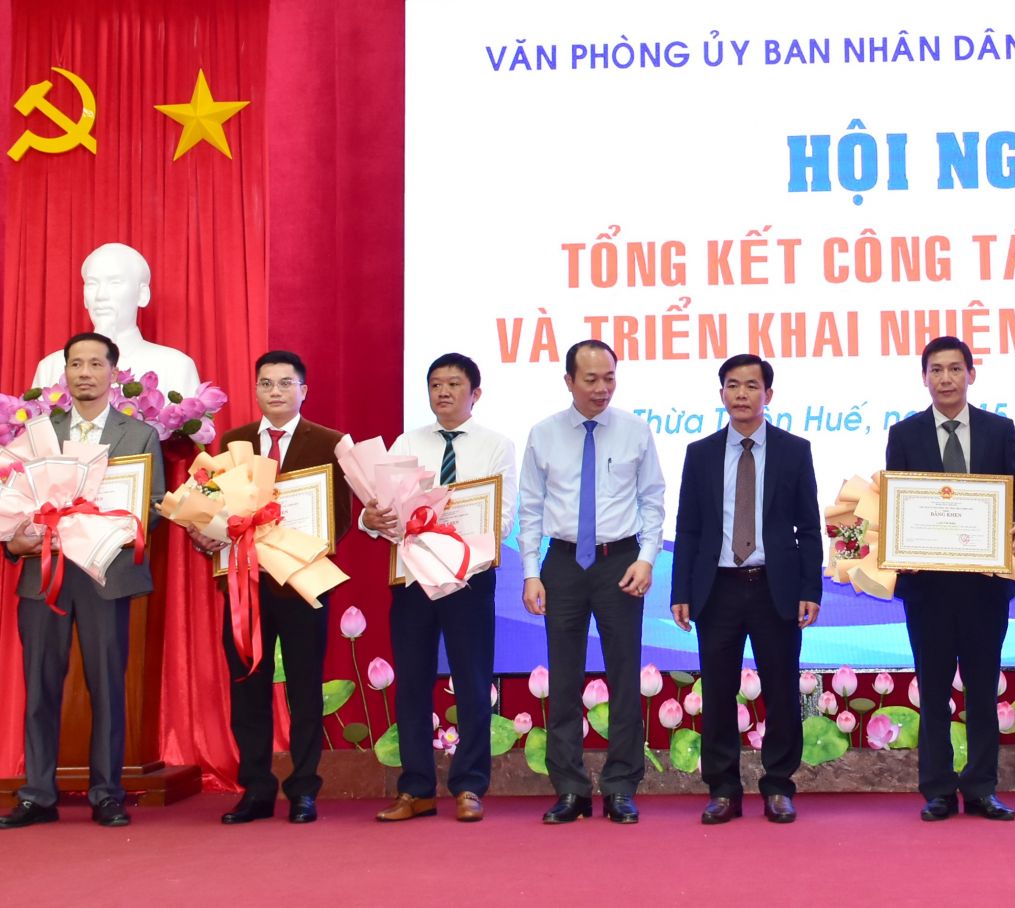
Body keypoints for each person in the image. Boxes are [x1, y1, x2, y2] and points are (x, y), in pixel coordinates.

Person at [0, 333, 164, 830]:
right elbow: (13, 501)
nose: (85, 372)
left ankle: (107, 794)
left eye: (95, 363)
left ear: (114, 372)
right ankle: (38, 795)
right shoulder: (36, 435)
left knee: (107, 685)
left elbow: (151, 508)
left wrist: (102, 528)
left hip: (105, 574)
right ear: (65, 373)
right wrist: (15, 542)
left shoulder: (140, 435)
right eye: (76, 364)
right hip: (44, 573)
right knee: (40, 686)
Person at [190, 351, 352, 825]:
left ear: (304, 390)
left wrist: (294, 551)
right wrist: (206, 533)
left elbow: (340, 516)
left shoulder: (331, 442)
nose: (275, 391)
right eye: (266, 383)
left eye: (285, 383)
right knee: (249, 690)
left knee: (304, 691)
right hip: (246, 586)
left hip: (303, 584)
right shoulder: (234, 442)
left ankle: (304, 790)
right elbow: (215, 507)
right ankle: (256, 789)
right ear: (256, 390)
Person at [362, 354, 517, 823]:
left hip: (468, 578)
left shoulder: (497, 445)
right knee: (412, 683)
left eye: (453, 384)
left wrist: (450, 538)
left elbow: (501, 515)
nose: (443, 392)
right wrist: (372, 520)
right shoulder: (407, 443)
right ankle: (416, 790)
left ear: (476, 393)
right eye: (435, 384)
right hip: (412, 579)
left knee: (473, 682)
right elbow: (381, 509)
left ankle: (469, 786)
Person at [670, 354, 823, 825]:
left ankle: (778, 787)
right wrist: (681, 591)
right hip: (717, 588)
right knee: (718, 692)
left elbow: (808, 528)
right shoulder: (700, 453)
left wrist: (811, 588)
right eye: (732, 385)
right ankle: (723, 790)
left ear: (768, 395)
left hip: (775, 587)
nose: (741, 394)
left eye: (751, 386)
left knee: (781, 690)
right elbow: (688, 527)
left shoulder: (795, 450)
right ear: (721, 394)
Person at [885, 336, 1015, 821]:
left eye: (954, 369)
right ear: (924, 378)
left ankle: (982, 787)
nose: (945, 378)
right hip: (927, 587)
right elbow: (896, 498)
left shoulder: (998, 429)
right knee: (933, 690)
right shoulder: (904, 434)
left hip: (984, 585)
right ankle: (939, 790)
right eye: (936, 370)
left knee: (982, 689)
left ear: (971, 374)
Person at [520, 340, 665, 824]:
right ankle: (570, 789)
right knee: (564, 678)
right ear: (568, 381)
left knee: (624, 676)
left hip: (619, 561)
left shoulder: (635, 431)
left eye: (609, 378)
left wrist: (646, 560)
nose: (602, 388)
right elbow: (530, 508)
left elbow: (652, 501)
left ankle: (621, 786)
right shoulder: (543, 434)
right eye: (591, 379)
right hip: (562, 563)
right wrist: (531, 572)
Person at [33, 243, 202, 395]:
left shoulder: (175, 367)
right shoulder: (51, 367)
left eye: (115, 283)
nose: (100, 295)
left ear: (142, 294)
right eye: (92, 284)